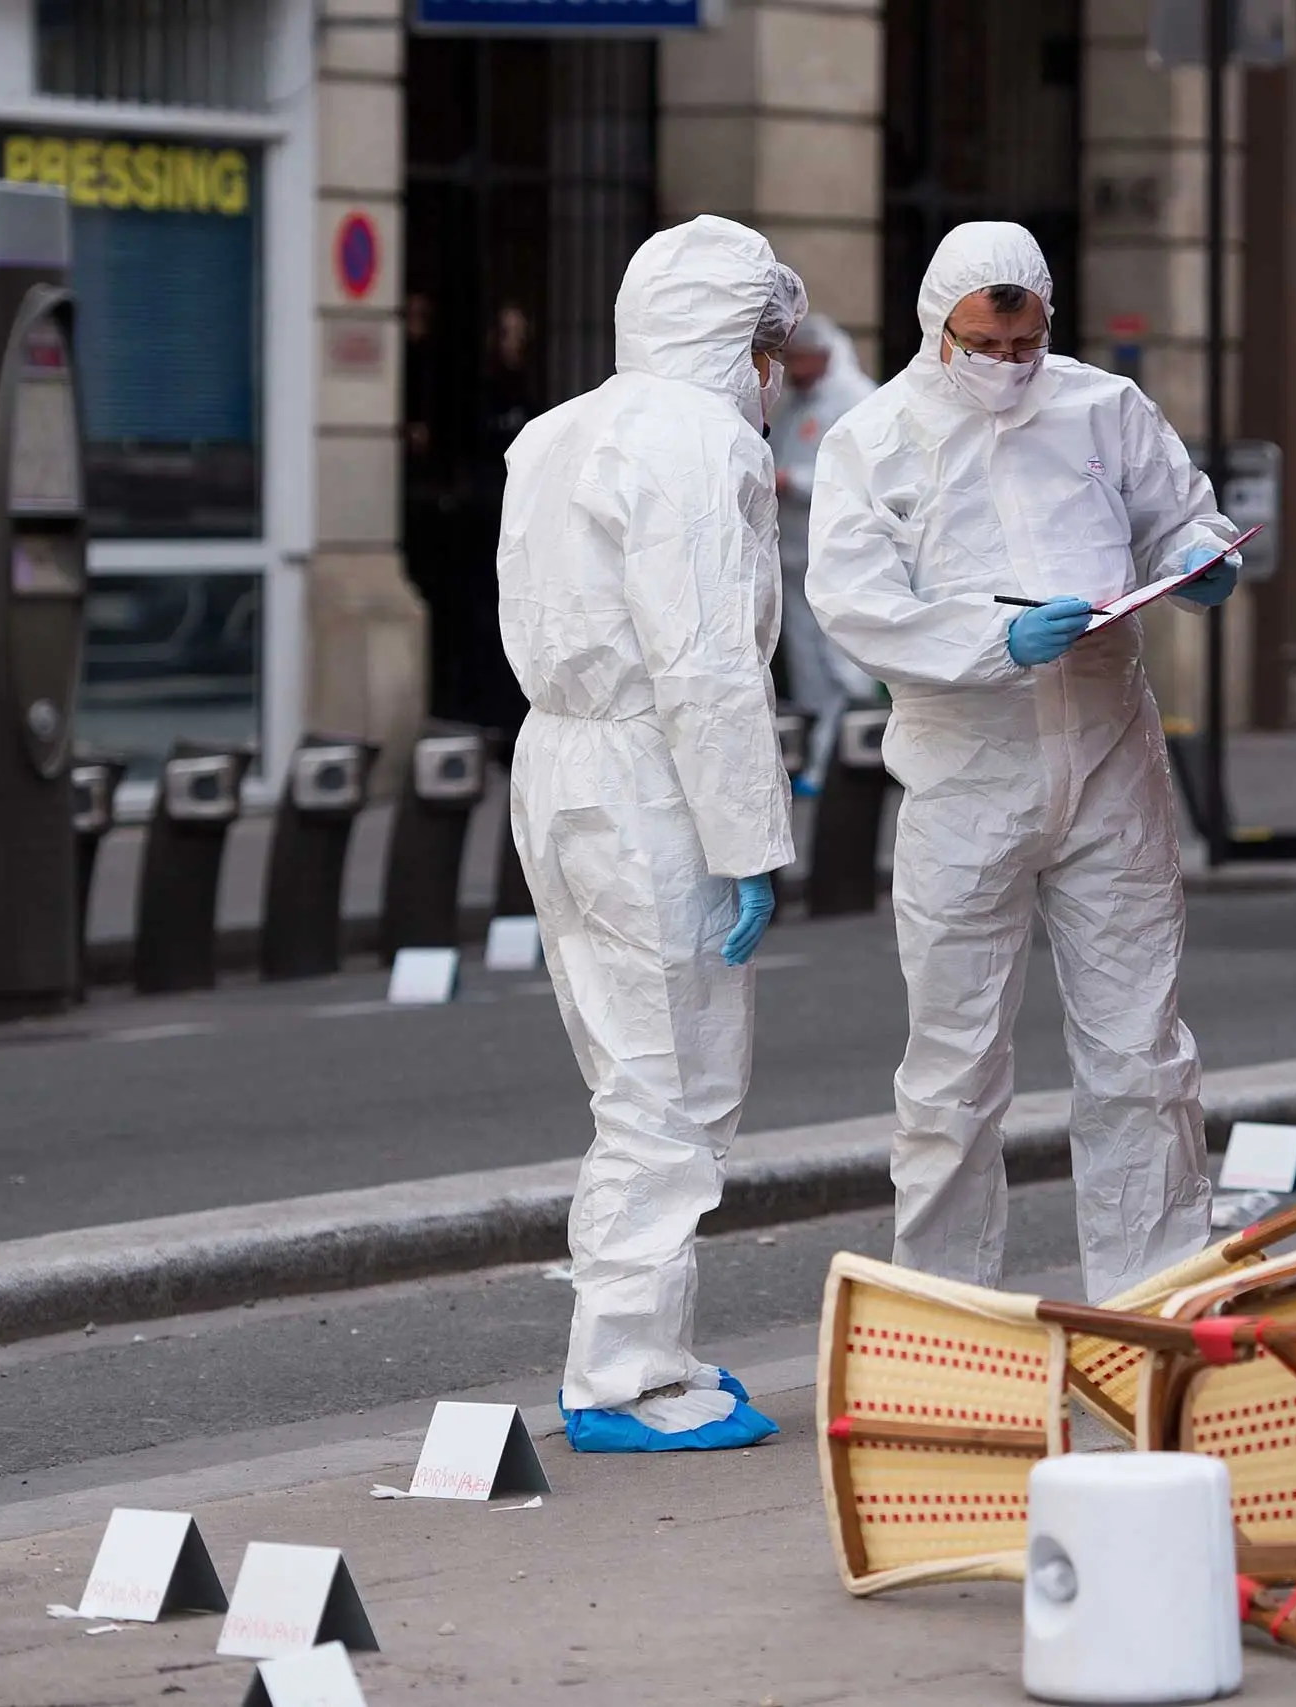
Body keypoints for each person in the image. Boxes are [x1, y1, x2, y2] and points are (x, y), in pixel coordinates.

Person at [805, 221, 1242, 1304]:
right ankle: (946, 1325)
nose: (1005, 368)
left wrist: (1195, 561)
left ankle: (1155, 1306)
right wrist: (991, 645)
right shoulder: (875, 439)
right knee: (953, 1071)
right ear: (934, 327)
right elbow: (854, 605)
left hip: (1108, 756)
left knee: (1141, 1053)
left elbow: (1182, 517)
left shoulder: (1103, 407)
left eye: (1024, 344)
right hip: (965, 770)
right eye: (981, 345)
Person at [495, 215, 806, 1452]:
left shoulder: (553, 430)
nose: (776, 369)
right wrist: (749, 844)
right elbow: (705, 663)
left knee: (626, 1067)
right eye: (769, 343)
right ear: (738, 338)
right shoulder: (700, 441)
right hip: (650, 776)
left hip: (556, 758)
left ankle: (646, 1342)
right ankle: (622, 1375)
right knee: (670, 1091)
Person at [769, 312, 881, 793]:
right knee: (807, 663)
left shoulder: (856, 400)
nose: (791, 368)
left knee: (842, 664)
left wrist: (790, 481)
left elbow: (862, 481)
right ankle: (817, 763)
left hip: (838, 558)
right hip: (796, 555)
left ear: (822, 354)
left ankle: (850, 762)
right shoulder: (797, 402)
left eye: (798, 358)